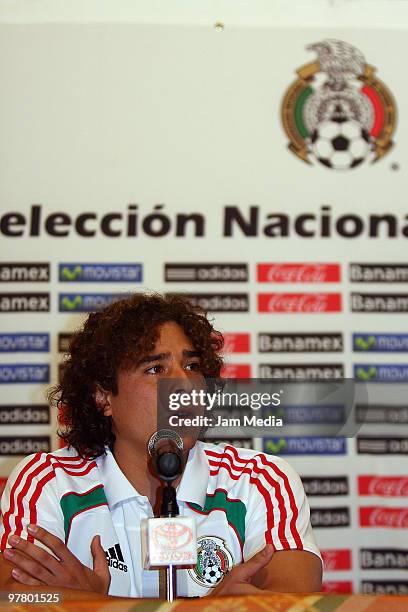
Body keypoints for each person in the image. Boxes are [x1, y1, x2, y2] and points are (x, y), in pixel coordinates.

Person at [0, 293, 322, 597]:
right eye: (155, 369)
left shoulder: (258, 479)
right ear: (104, 397)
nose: (184, 384)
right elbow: (13, 598)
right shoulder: (49, 481)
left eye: (193, 367)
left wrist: (89, 605)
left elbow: (291, 601)